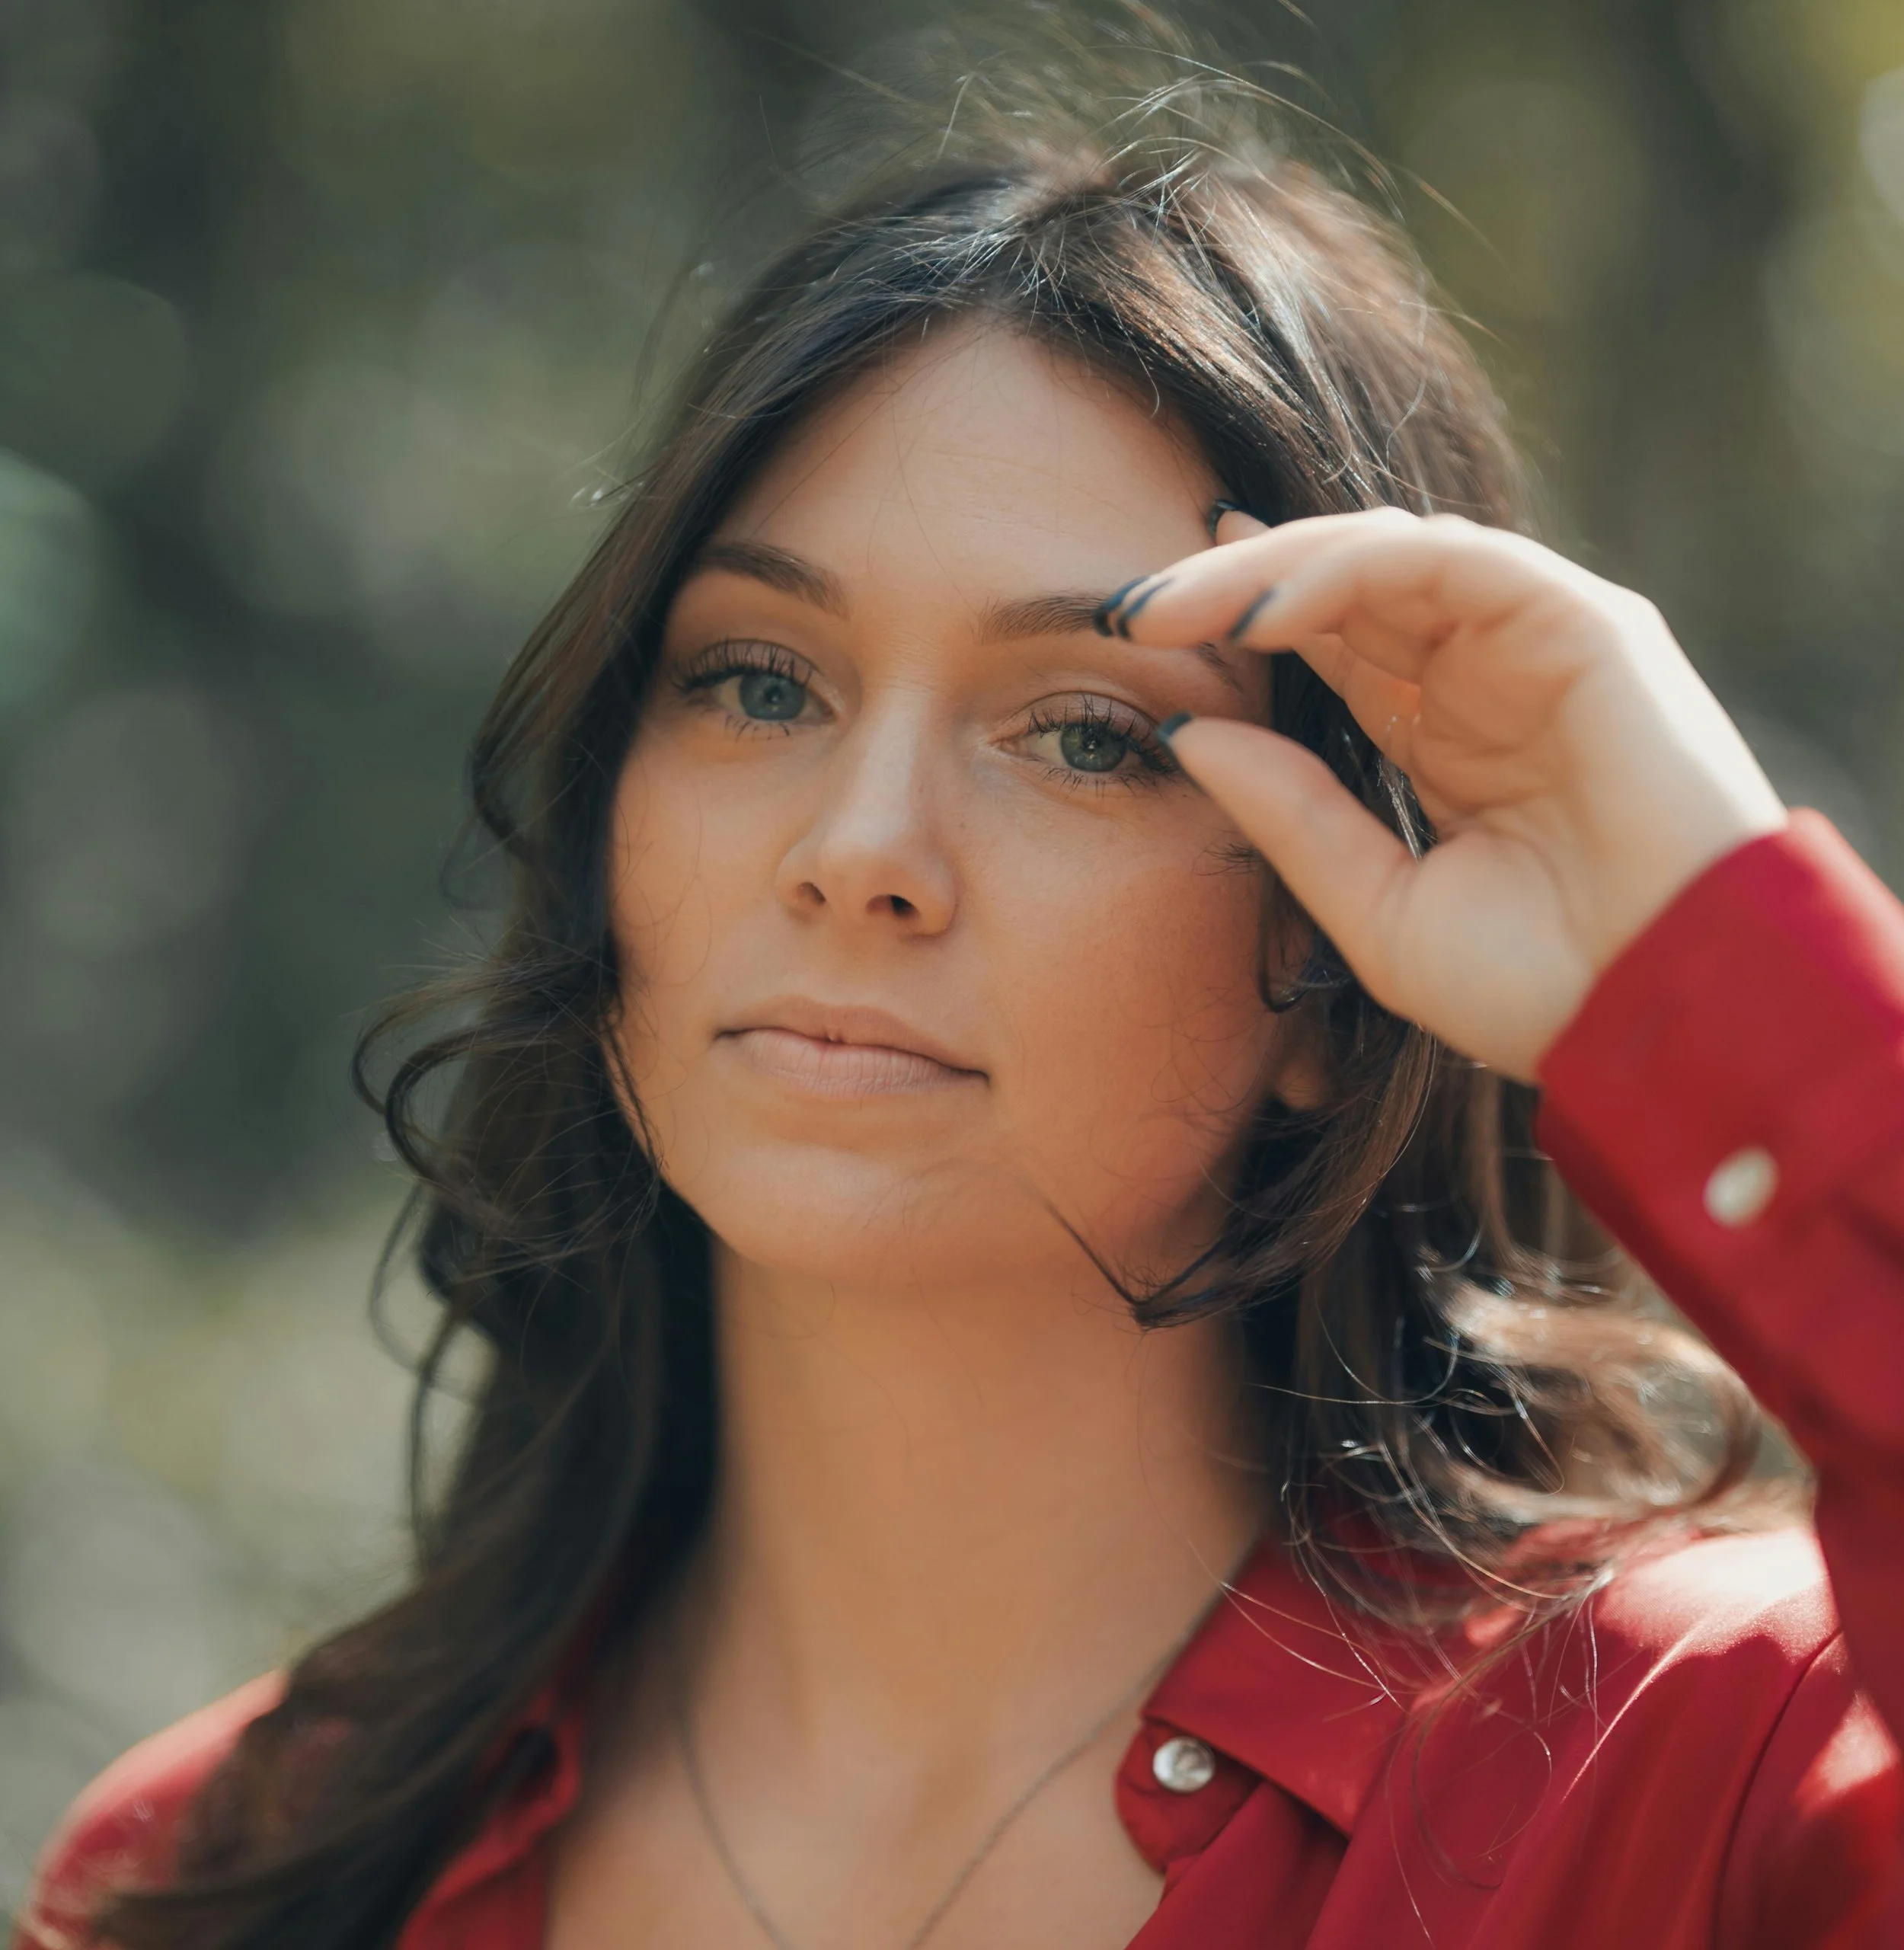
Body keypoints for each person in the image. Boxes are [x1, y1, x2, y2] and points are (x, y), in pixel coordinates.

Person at [16, 54, 1904, 1950]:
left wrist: (1705, 945)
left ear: (1337, 983)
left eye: (1084, 733)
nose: (859, 847)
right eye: (758, 682)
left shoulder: (1705, 1772)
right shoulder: (230, 1867)